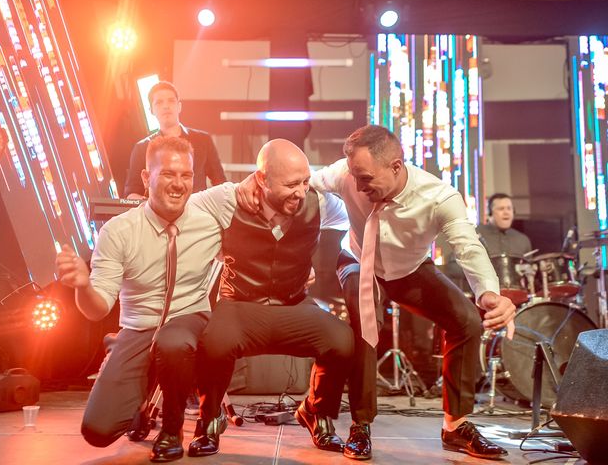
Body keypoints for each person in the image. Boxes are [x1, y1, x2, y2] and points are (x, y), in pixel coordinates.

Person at [238, 125, 516, 461]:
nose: (356, 185)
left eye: (366, 178)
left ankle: (455, 426)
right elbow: (298, 179)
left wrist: (489, 293)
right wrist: (251, 183)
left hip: (408, 270)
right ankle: (360, 424)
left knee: (467, 320)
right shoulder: (345, 173)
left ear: (396, 167)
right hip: (357, 260)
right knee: (366, 325)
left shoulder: (440, 197)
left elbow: (467, 247)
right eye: (354, 175)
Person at [56, 136, 236, 462]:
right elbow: (97, 309)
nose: (178, 184)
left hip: (189, 321)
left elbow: (261, 198)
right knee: (97, 430)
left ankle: (172, 429)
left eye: (186, 175)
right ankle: (131, 366)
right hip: (138, 327)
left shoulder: (210, 220)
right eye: (168, 174)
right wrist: (82, 286)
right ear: (145, 178)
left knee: (175, 342)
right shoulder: (119, 231)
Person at [187, 139, 355, 458]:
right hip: (240, 306)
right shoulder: (227, 199)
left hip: (293, 304)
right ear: (262, 179)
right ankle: (209, 421)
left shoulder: (320, 202)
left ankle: (315, 412)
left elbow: (356, 216)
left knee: (341, 339)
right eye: (291, 184)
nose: (300, 191)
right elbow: (183, 209)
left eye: (305, 182)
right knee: (212, 341)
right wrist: (212, 259)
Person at [124, 80, 226, 198]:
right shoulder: (142, 148)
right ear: (151, 110)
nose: (166, 106)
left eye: (171, 101)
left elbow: (221, 183)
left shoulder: (203, 140)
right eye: (159, 103)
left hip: (196, 212)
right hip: (158, 214)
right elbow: (131, 192)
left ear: (179, 106)